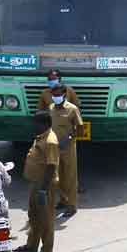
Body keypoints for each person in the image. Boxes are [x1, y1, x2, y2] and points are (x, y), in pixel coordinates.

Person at [14, 111, 59, 252]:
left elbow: (52, 166)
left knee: (46, 220)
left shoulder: (50, 141)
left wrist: (43, 189)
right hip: (35, 183)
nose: (33, 125)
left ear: (45, 124)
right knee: (33, 216)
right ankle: (31, 245)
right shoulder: (41, 136)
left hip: (44, 185)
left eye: (36, 123)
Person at [49, 84, 83, 217]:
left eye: (58, 95)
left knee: (70, 177)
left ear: (64, 95)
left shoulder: (72, 109)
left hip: (68, 148)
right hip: (54, 148)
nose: (56, 97)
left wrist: (68, 138)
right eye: (54, 95)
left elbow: (80, 129)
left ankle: (72, 205)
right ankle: (63, 200)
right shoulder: (51, 108)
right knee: (58, 177)